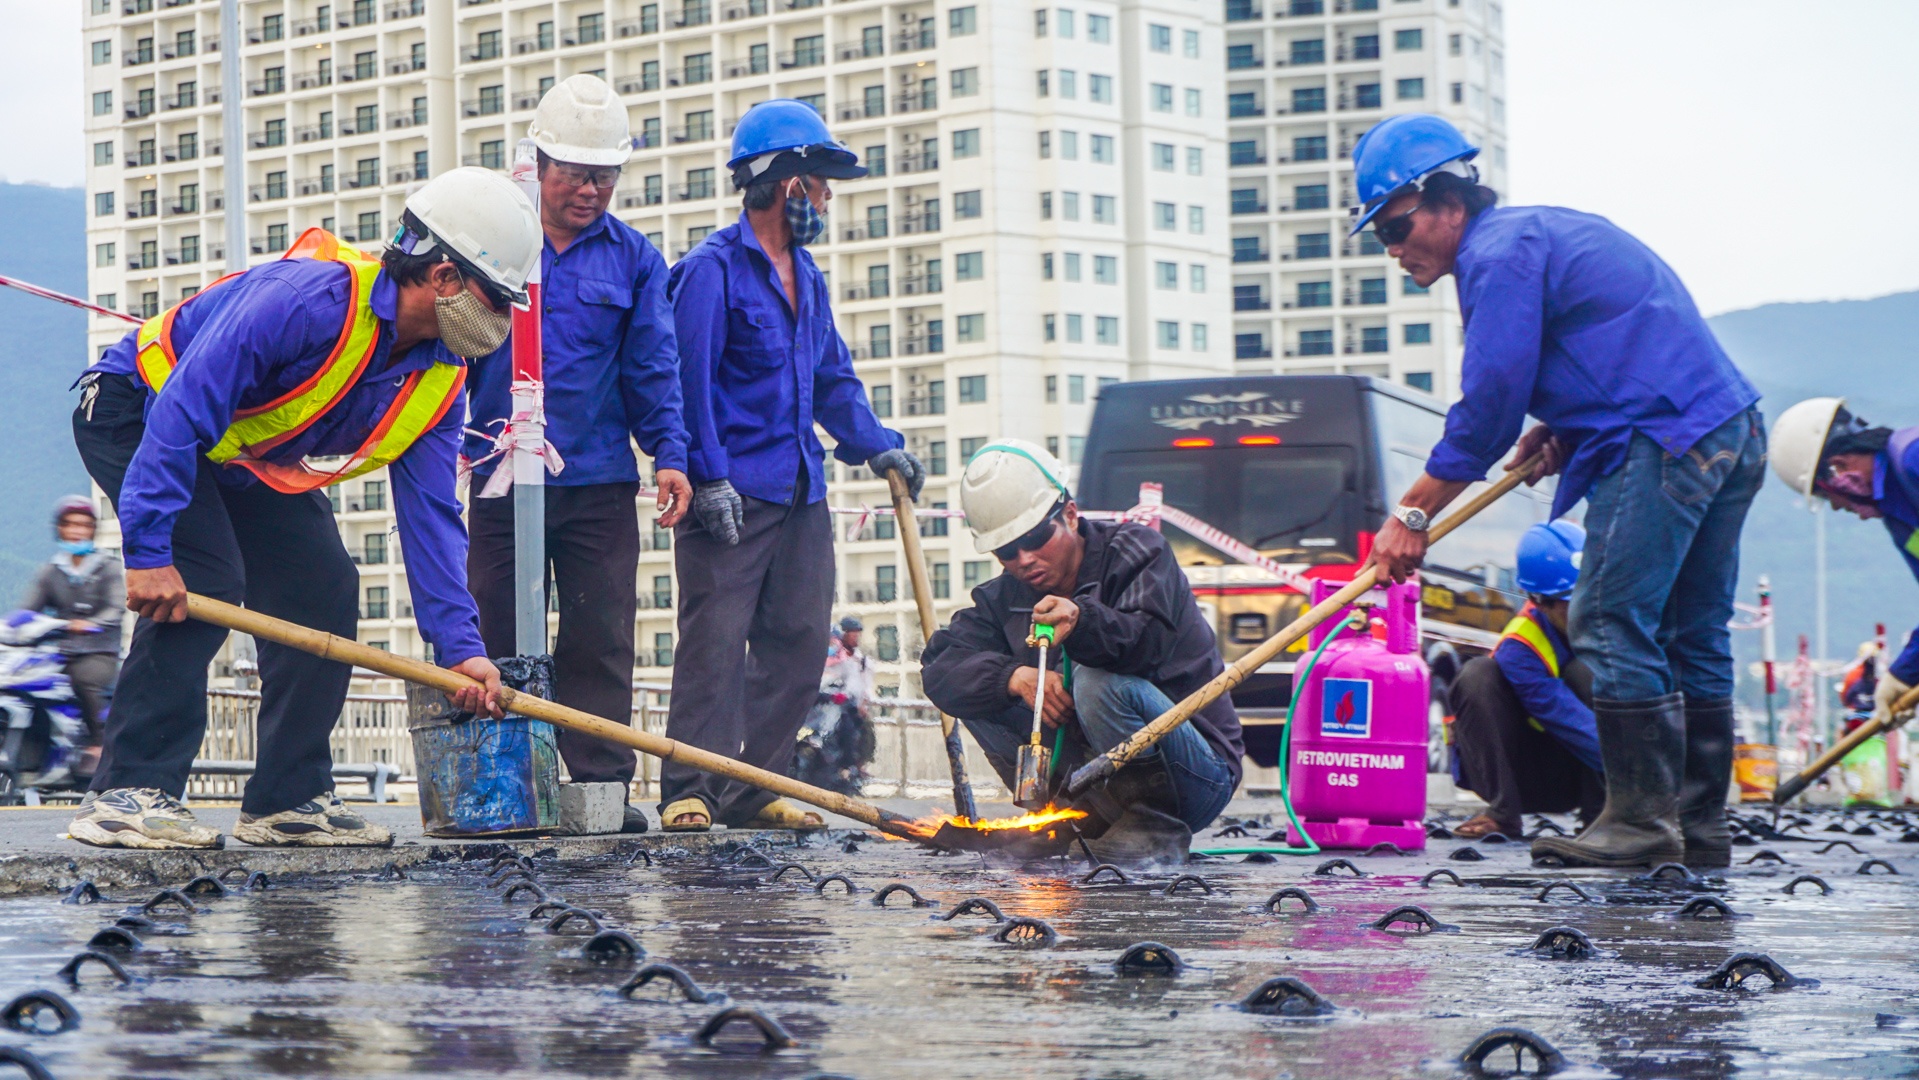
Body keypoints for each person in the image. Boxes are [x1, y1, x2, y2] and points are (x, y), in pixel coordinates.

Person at [66, 168, 538, 850]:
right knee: (203, 578)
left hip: (233, 451)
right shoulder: (304, 302)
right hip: (136, 410)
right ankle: (128, 793)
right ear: (441, 276)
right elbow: (183, 411)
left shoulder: (439, 377)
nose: (500, 321)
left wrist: (460, 651)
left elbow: (433, 517)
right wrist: (148, 552)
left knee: (321, 585)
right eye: (496, 299)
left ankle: (288, 799)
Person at [1351, 113, 1764, 869]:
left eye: (1396, 226)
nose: (1392, 247)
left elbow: (1486, 408)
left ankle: (1640, 823)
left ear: (1447, 202)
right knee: (1690, 633)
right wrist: (1564, 424)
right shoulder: (1537, 233)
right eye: (1380, 235)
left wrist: (1411, 514)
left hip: (1664, 440)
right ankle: (1696, 830)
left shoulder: (1496, 256)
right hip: (1726, 431)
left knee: (1607, 619)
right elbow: (1604, 347)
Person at [660, 99, 922, 832]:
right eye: (820, 183)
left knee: (798, 643)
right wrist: (706, 475)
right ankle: (690, 788)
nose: (827, 199)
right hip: (731, 490)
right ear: (786, 185)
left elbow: (832, 379)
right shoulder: (710, 272)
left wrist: (877, 443)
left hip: (801, 489)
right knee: (714, 644)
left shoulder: (807, 277)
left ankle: (755, 790)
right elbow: (687, 386)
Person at [465, 75, 691, 835]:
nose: (591, 189)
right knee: (491, 628)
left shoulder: (633, 260)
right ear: (539, 162)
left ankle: (597, 786)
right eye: (576, 173)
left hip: (593, 479)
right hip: (498, 474)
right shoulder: (493, 239)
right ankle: (496, 788)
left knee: (599, 633)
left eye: (605, 175)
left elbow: (653, 365)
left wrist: (668, 452)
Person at [920, 440, 1244, 835]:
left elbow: (1147, 645)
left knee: (1095, 681)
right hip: (1090, 792)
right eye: (1006, 549)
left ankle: (1150, 824)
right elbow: (940, 668)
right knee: (977, 685)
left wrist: (1083, 622)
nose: (1023, 559)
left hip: (1194, 776)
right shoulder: (1002, 598)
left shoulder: (1138, 553)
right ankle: (1055, 812)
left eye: (1036, 537)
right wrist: (1015, 679)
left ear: (1070, 515)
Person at [1770, 398, 1919, 737]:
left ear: (1838, 468)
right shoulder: (1900, 521)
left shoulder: (1914, 458)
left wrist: (1906, 671)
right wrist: (1906, 673)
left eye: (1827, 496)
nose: (1836, 508)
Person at [1448, 522, 1604, 840]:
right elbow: (1568, 720)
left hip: (1586, 774)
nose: (1583, 609)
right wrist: (1638, 769)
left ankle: (1602, 816)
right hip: (1530, 774)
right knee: (1477, 675)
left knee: (1587, 672)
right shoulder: (1520, 647)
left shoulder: (1615, 623)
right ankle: (1503, 814)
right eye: (1569, 601)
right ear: (1541, 601)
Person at [21, 496, 124, 775]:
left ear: (93, 530)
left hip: (99, 651)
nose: (77, 531)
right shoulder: (51, 571)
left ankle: (97, 744)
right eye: (70, 525)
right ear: (60, 529)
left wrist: (87, 623)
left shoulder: (108, 568)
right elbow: (28, 609)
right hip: (61, 650)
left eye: (84, 525)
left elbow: (116, 608)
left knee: (84, 678)